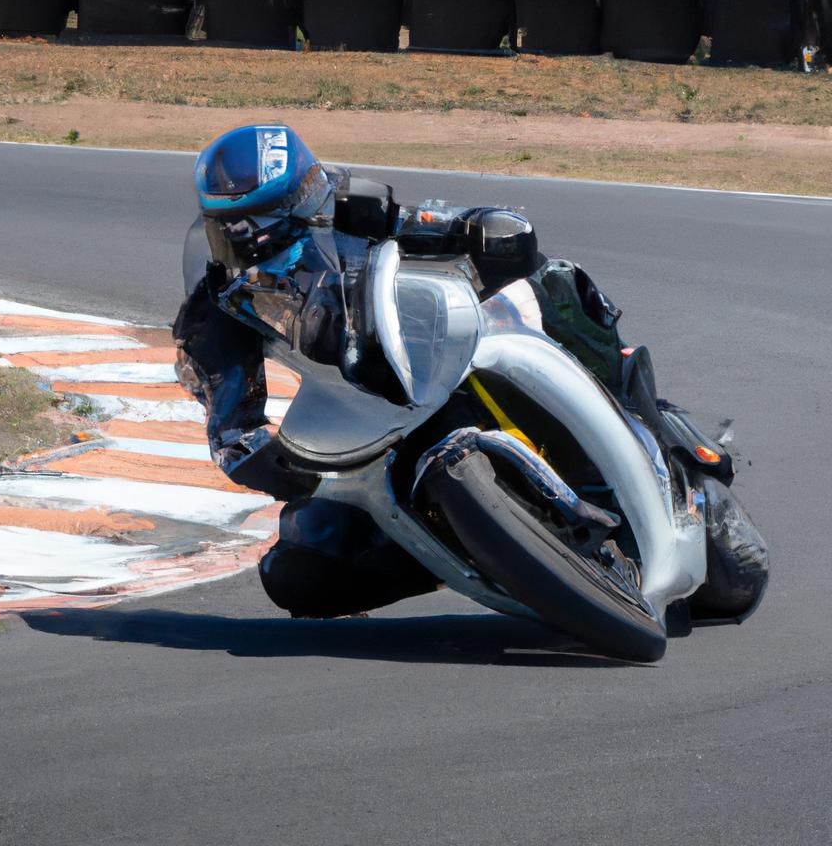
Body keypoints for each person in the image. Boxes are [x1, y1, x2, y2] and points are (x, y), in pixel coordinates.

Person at [174, 124, 767, 621]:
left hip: (443, 353)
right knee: (297, 570)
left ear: (309, 194)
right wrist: (272, 461)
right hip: (363, 437)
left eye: (272, 216)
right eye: (237, 227)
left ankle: (650, 430)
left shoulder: (359, 208)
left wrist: (483, 227)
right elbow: (230, 421)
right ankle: (463, 552)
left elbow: (446, 222)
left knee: (558, 283)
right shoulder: (218, 309)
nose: (255, 238)